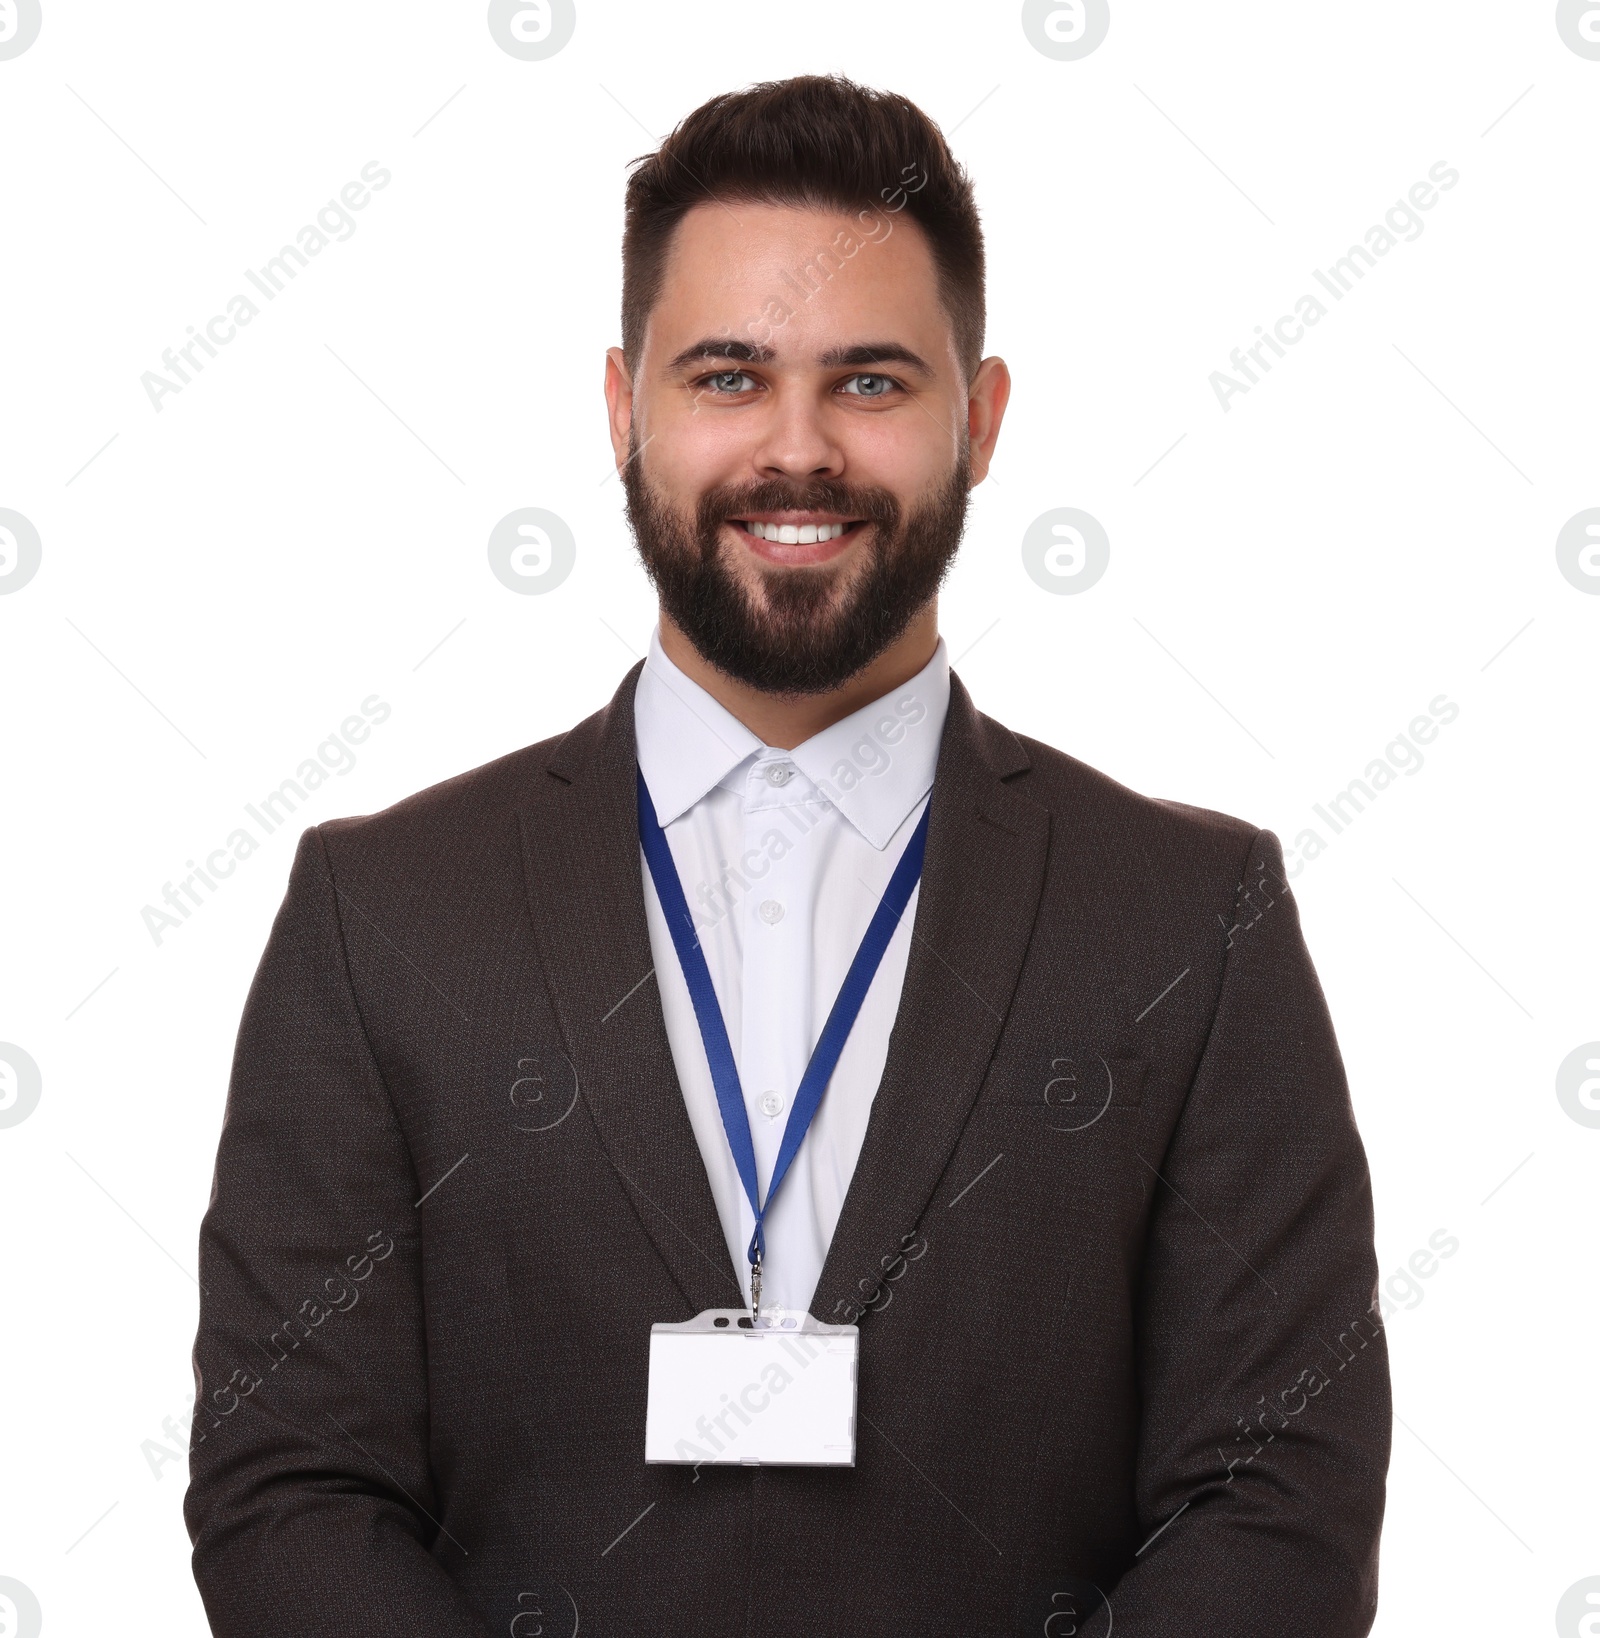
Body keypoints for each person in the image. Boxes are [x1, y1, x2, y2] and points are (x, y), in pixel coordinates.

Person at [186, 74, 1390, 1637]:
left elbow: (1280, 1492)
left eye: (873, 380)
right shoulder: (382, 913)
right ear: (625, 408)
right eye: (731, 374)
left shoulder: (1190, 918)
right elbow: (286, 1486)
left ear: (985, 415)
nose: (798, 449)